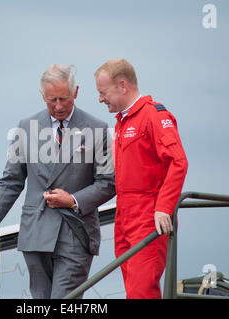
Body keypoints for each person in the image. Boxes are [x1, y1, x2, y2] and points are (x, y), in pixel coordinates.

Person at [0, 64, 115, 299]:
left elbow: (108, 182)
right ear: (42, 96)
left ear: (76, 92)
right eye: (52, 100)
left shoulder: (97, 129)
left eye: (64, 99)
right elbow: (11, 181)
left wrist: (73, 200)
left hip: (75, 234)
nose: (58, 106)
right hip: (35, 234)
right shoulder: (26, 127)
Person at [94, 58, 188, 299]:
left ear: (122, 86)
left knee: (141, 292)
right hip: (124, 216)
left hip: (148, 216)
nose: (100, 99)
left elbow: (178, 162)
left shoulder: (154, 116)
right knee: (132, 289)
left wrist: (164, 208)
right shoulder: (123, 122)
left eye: (104, 93)